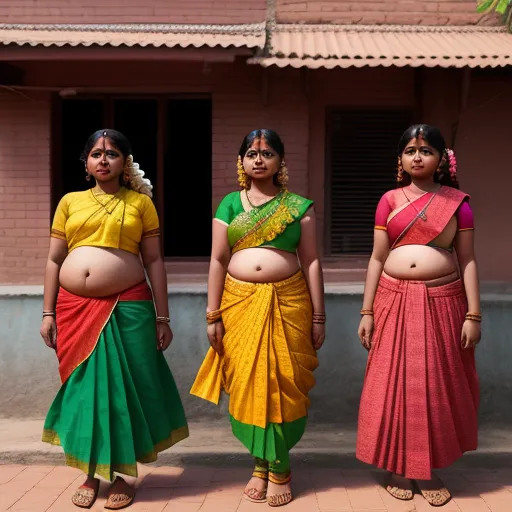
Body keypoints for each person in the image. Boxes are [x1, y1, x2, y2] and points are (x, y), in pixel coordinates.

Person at [40, 129, 188, 510]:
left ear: (125, 163)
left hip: (128, 306)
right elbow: (55, 260)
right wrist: (48, 311)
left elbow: (154, 260)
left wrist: (163, 315)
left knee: (127, 392)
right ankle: (90, 474)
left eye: (112, 154)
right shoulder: (70, 202)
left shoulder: (140, 204)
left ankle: (124, 475)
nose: (103, 159)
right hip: (74, 309)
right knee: (86, 394)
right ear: (86, 164)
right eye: (95, 154)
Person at [191, 129, 325, 507]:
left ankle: (280, 467)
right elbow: (218, 259)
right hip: (239, 304)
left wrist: (319, 314)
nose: (259, 160)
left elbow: (312, 261)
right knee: (248, 381)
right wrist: (212, 313)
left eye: (267, 153)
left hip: (290, 303)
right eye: (251, 153)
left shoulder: (299, 206)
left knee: (281, 382)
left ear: (281, 161)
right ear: (242, 162)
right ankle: (259, 466)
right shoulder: (230, 205)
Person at [356, 124, 480, 507]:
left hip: (442, 300)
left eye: (426, 150)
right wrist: (367, 310)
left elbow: (468, 259)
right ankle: (397, 467)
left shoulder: (459, 203)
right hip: (392, 300)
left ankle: (427, 469)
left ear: (442, 159)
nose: (417, 157)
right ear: (400, 159)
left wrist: (473, 314)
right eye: (410, 150)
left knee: (435, 384)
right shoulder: (389, 201)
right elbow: (377, 257)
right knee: (392, 384)